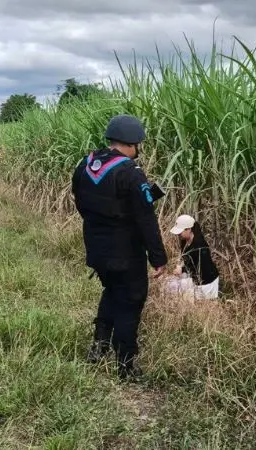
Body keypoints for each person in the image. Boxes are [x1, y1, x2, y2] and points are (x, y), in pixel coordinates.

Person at [71, 114, 168, 380]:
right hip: (125, 252)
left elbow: (80, 201)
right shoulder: (130, 172)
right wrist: (158, 257)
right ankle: (126, 364)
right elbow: (145, 218)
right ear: (132, 142)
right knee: (131, 301)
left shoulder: (86, 163)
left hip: (96, 247)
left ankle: (99, 345)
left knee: (112, 291)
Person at [165, 214, 220, 300]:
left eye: (180, 232)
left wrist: (182, 270)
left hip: (206, 283)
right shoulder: (185, 241)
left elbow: (201, 269)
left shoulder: (200, 246)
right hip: (193, 277)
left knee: (176, 290)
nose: (178, 234)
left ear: (189, 229)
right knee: (169, 283)